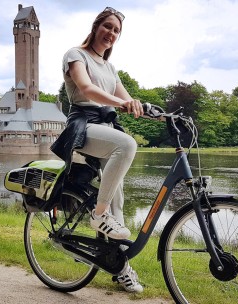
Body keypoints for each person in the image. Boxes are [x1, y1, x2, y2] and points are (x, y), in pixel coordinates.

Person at [50, 7, 144, 293]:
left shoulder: (109, 66)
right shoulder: (75, 55)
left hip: (105, 126)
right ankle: (97, 215)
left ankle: (120, 266)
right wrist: (120, 104)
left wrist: (142, 106)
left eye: (117, 31)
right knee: (127, 144)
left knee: (118, 201)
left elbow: (124, 96)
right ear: (96, 27)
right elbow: (86, 88)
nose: (111, 34)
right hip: (82, 125)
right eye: (108, 27)